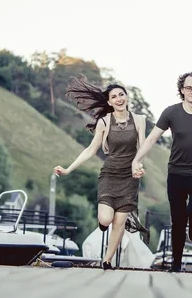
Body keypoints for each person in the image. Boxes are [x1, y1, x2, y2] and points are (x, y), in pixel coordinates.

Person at [131, 71, 192, 273]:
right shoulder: (171, 112)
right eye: (188, 88)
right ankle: (176, 265)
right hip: (176, 174)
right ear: (182, 90)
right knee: (177, 221)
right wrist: (136, 159)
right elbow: (151, 139)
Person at [53, 76, 149, 270]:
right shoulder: (104, 122)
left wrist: (138, 166)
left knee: (120, 222)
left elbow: (142, 148)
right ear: (109, 102)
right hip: (110, 175)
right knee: (106, 219)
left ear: (127, 97)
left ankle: (107, 260)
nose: (119, 98)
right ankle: (104, 224)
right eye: (114, 96)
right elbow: (90, 150)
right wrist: (68, 169)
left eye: (121, 94)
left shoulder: (139, 120)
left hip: (129, 178)